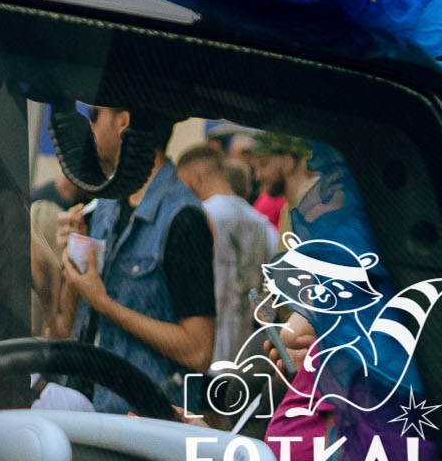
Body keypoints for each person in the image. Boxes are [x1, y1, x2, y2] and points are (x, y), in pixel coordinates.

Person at [52, 104, 215, 413]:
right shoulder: (106, 204)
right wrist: (75, 257)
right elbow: (68, 325)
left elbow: (198, 350)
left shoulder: (183, 217)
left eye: (95, 115)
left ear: (122, 121)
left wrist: (105, 304)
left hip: (141, 421)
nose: (91, 127)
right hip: (84, 405)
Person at [174, 140, 280, 366]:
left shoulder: (196, 217)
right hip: (241, 353)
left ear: (195, 179)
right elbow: (266, 294)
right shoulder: (262, 224)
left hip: (201, 349)